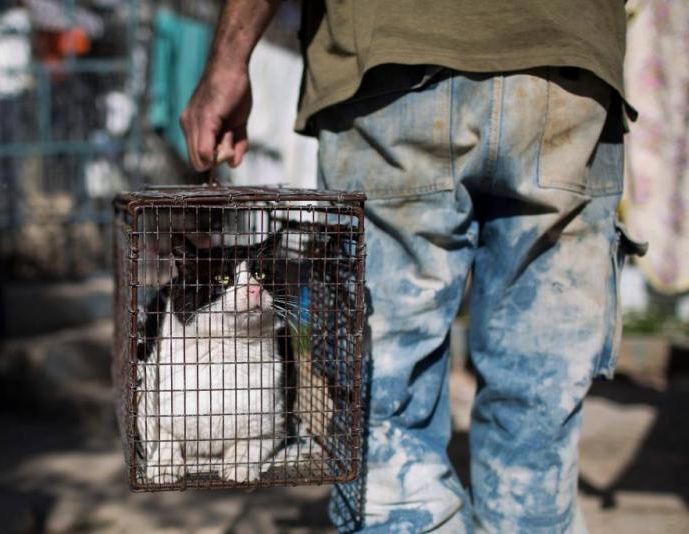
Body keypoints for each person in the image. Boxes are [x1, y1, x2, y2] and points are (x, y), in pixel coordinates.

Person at [180, 1, 647, 532]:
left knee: (387, 424)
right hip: (568, 68)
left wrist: (228, 60)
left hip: (392, 60)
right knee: (537, 418)